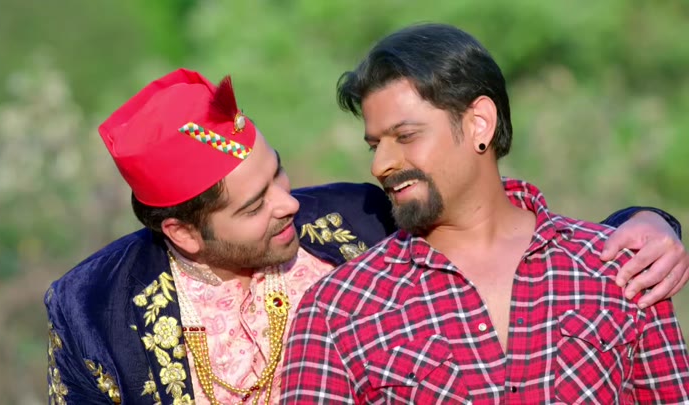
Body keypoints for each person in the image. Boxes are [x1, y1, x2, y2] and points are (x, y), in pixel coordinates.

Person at [44, 68, 685, 405]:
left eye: (278, 173)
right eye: (256, 204)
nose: (289, 202)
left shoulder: (355, 216)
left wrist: (650, 221)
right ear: (184, 232)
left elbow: (495, 222)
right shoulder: (92, 314)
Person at [280, 23, 689, 404]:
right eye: (375, 145)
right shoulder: (339, 309)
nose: (380, 165)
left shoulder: (624, 270)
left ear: (480, 123)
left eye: (405, 136)